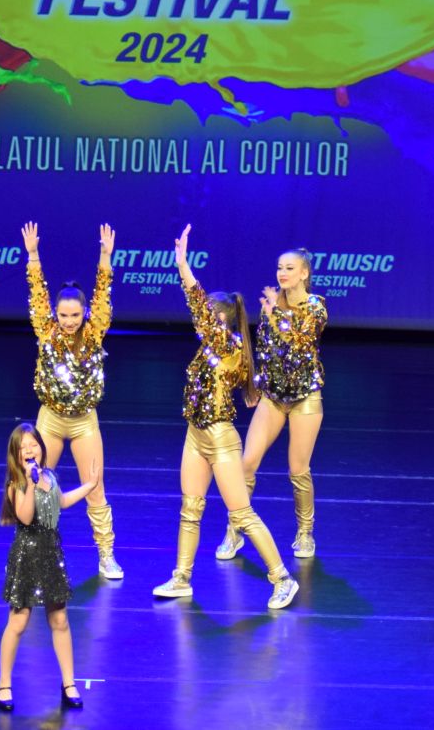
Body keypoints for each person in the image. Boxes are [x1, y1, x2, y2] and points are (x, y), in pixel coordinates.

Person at [153, 225, 298, 610]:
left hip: (220, 440)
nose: (199, 321)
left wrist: (183, 266)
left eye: (206, 316)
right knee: (190, 508)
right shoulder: (211, 348)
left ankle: (282, 578)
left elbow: (197, 304)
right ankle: (181, 578)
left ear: (218, 319)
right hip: (195, 435)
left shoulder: (228, 346)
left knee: (242, 513)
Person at [19, 220, 123, 579]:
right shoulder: (45, 330)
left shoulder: (94, 332)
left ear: (85, 313)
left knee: (95, 487)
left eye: (75, 315)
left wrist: (105, 257)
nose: (68, 321)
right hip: (49, 420)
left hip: (83, 423)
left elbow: (103, 293)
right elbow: (36, 290)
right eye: (63, 315)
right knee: (37, 488)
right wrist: (33, 254)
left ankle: (106, 555)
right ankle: (34, 555)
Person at [217, 248, 327, 561]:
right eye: (280, 267)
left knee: (298, 469)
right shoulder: (271, 304)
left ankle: (305, 532)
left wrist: (274, 314)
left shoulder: (316, 306)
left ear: (304, 273)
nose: (283, 273)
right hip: (274, 397)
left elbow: (299, 343)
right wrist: (254, 386)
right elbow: (264, 350)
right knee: (246, 463)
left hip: (305, 397)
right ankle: (235, 530)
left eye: (290, 268)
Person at [0, 423, 99, 712]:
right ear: (16, 455)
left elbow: (60, 502)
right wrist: (30, 484)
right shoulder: (16, 484)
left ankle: (68, 683)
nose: (30, 450)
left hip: (51, 554)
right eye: (23, 447)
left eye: (33, 444)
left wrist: (89, 486)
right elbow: (26, 517)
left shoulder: (49, 476)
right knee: (18, 622)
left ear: (41, 447)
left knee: (60, 620)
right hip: (27, 556)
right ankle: (4, 683)